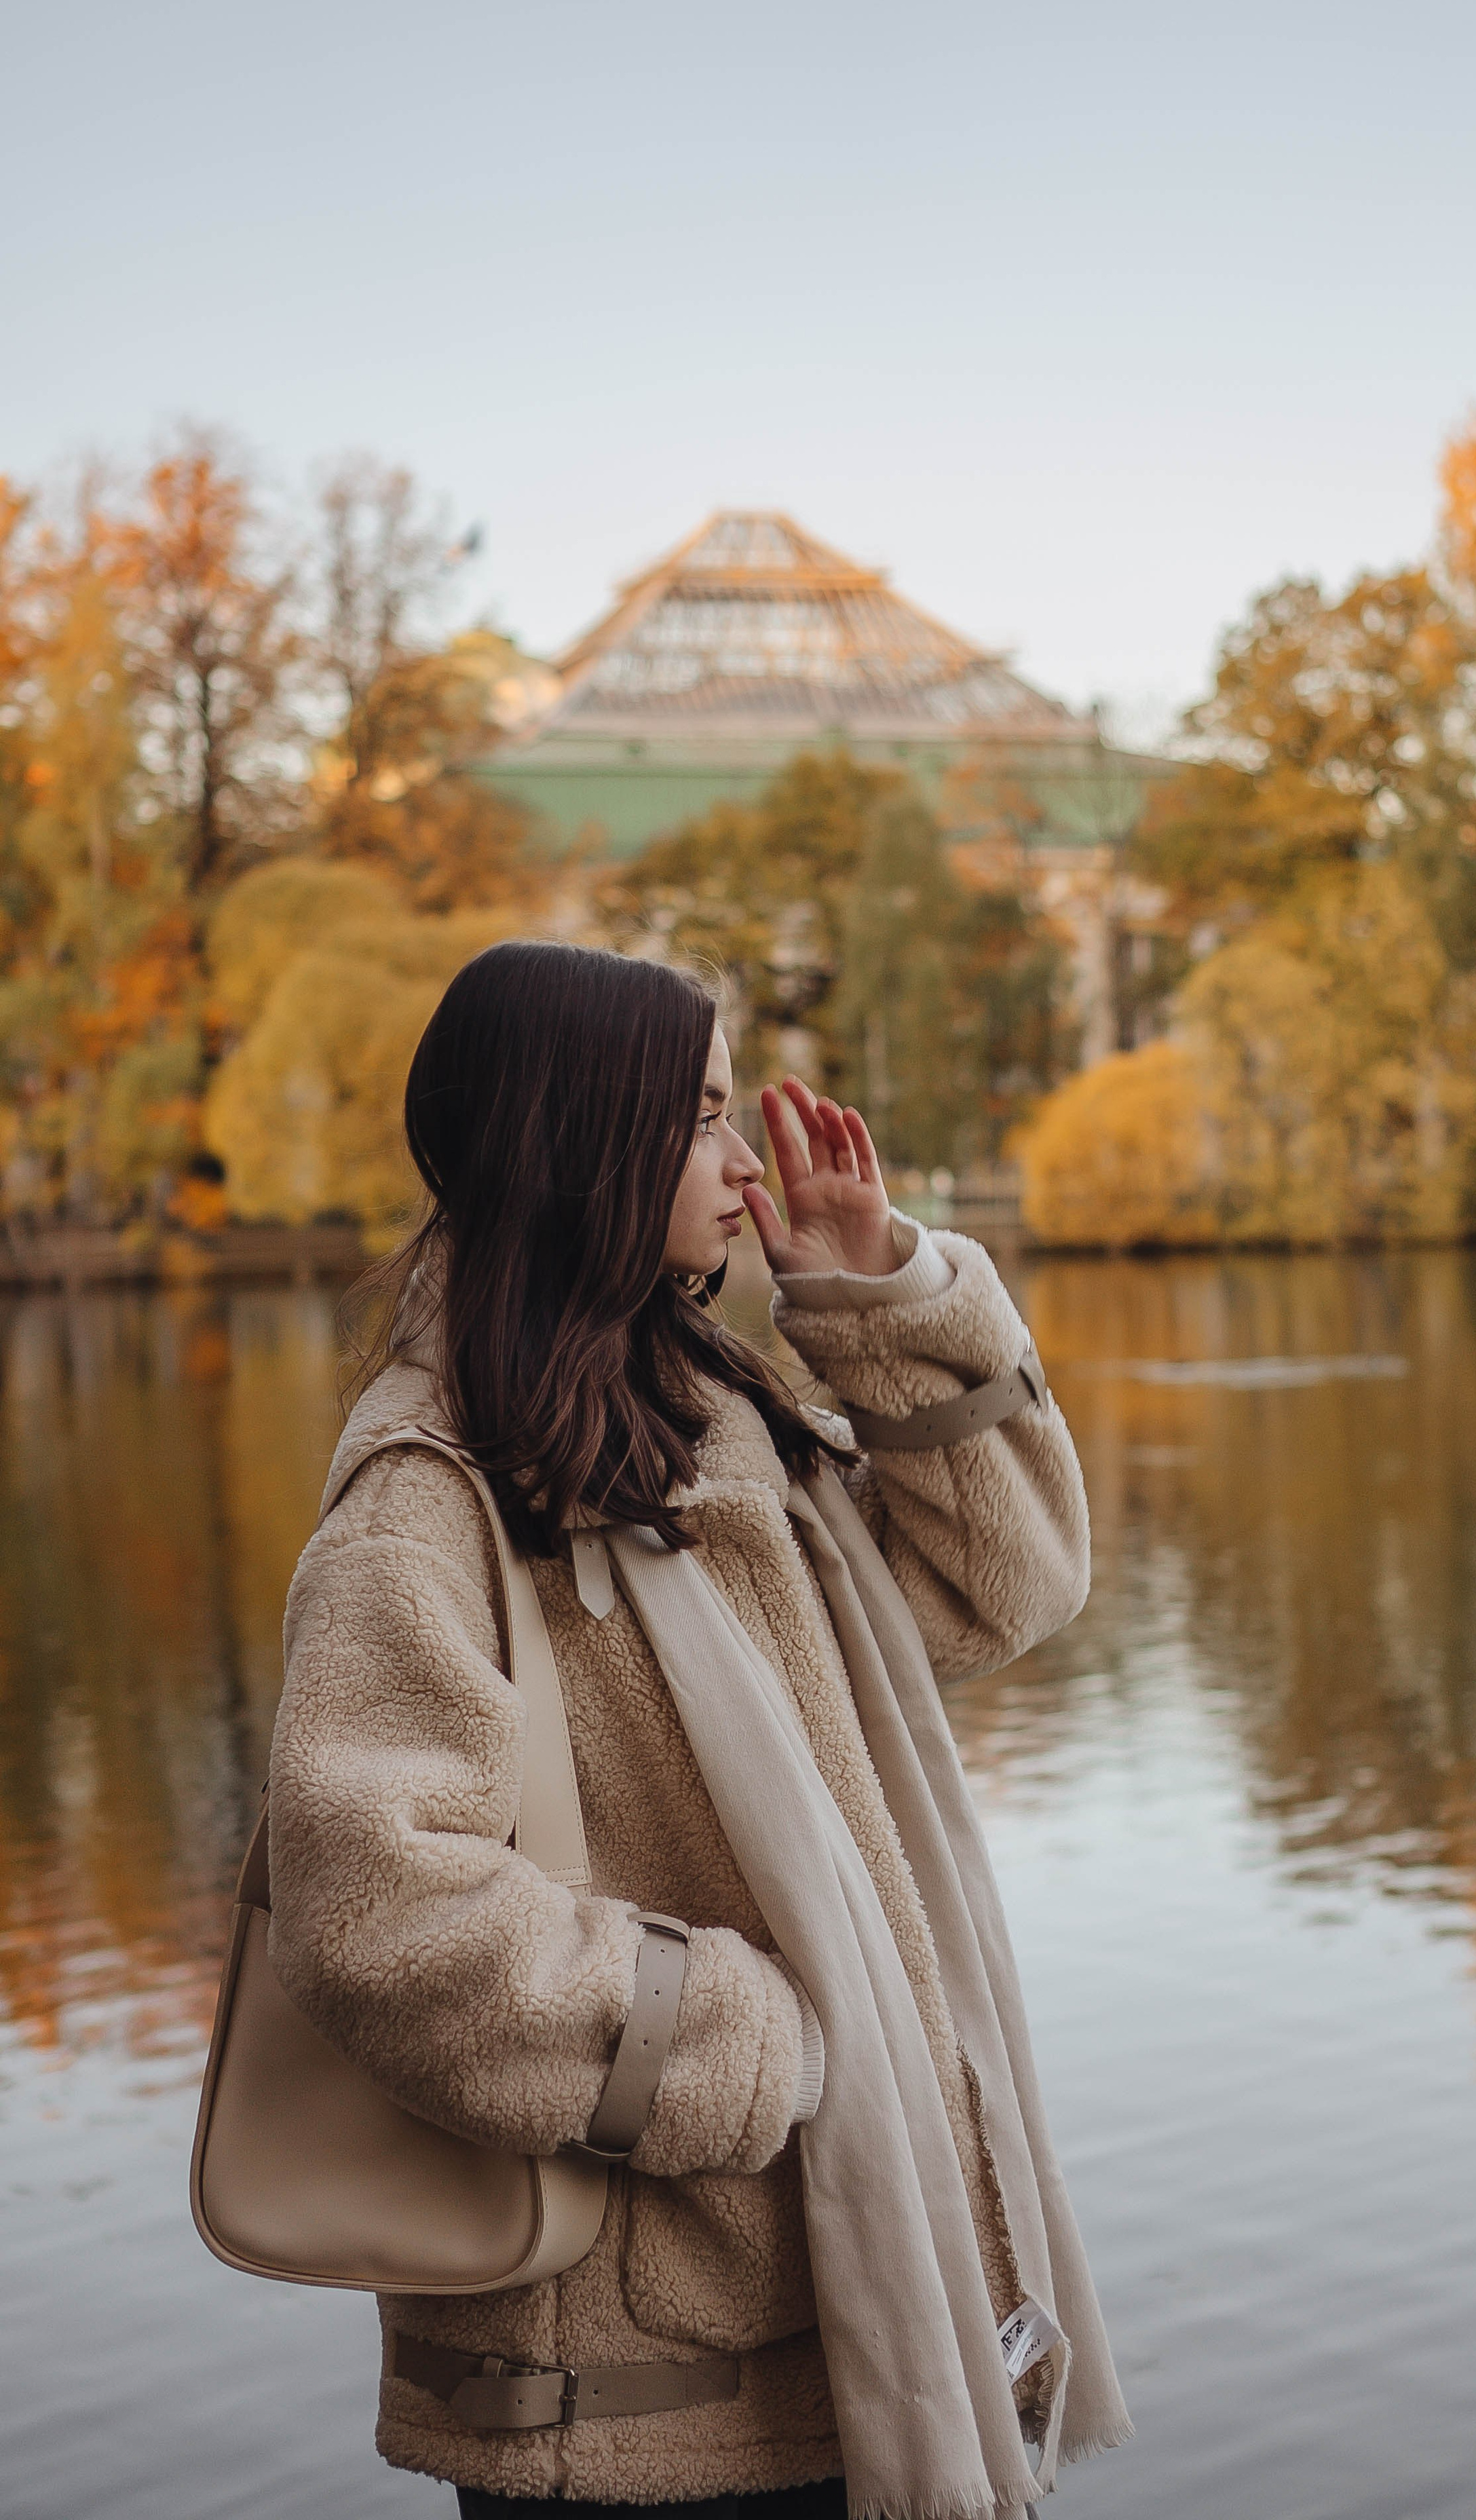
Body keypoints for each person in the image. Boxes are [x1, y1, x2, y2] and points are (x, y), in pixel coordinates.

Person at [267, 941, 1130, 2519]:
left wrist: (871, 1297)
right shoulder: (429, 1494)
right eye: (704, 1120)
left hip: (843, 2318)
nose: (744, 1165)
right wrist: (744, 2040)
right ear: (582, 1137)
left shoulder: (706, 1424)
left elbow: (1001, 1587)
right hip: (638, 2394)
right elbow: (374, 1909)